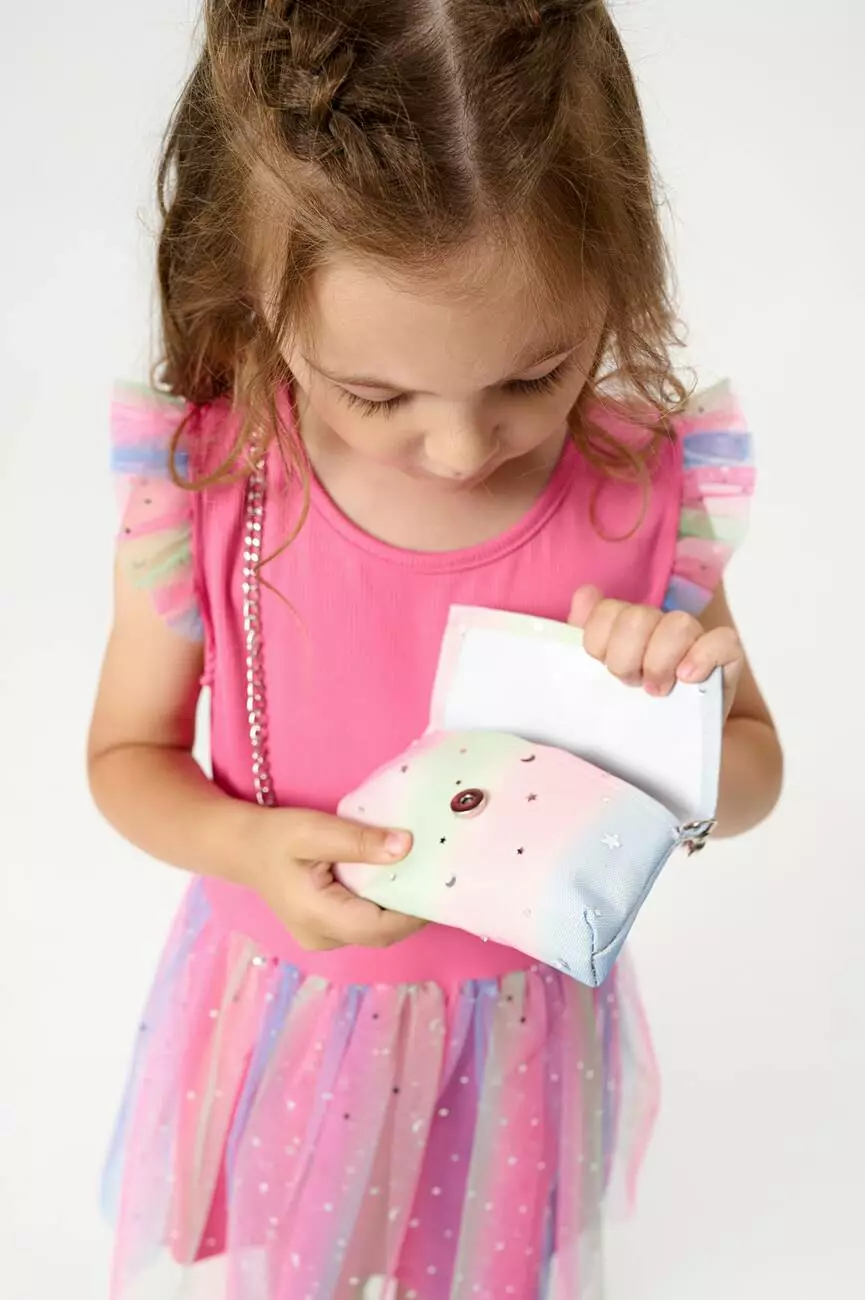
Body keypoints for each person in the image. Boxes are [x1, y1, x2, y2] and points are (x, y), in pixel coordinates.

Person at [88, 2, 783, 1297]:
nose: (462, 450)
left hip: (509, 1041)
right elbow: (125, 758)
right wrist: (248, 849)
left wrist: (674, 704)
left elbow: (751, 780)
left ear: (617, 277)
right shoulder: (216, 487)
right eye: (375, 394)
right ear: (256, 295)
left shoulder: (642, 499)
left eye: (534, 376)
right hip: (289, 1012)